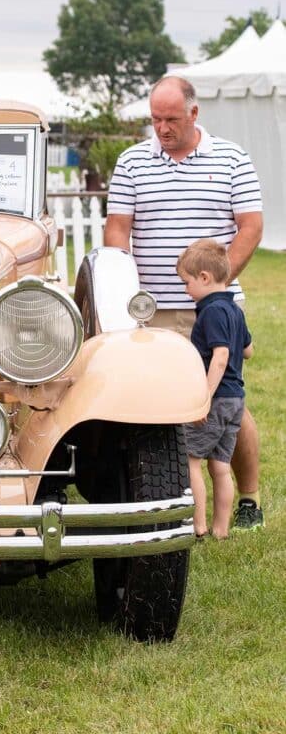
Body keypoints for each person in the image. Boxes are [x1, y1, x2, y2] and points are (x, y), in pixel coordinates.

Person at [104, 75, 265, 529]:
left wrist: (216, 286)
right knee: (157, 404)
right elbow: (118, 228)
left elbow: (250, 227)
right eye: (155, 119)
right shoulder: (133, 161)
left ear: (194, 114)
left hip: (214, 308)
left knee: (228, 402)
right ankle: (164, 496)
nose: (162, 128)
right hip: (154, 308)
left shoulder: (232, 158)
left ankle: (248, 499)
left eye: (171, 119)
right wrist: (123, 287)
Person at [176, 239, 253, 539]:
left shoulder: (211, 312)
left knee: (191, 461)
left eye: (187, 283)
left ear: (205, 278)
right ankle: (220, 530)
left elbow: (220, 356)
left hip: (217, 398)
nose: (186, 290)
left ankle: (198, 526)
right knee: (220, 466)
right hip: (236, 399)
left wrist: (204, 397)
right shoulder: (234, 310)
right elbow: (248, 351)